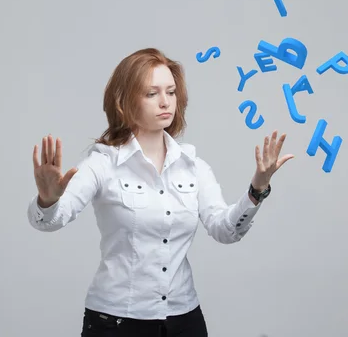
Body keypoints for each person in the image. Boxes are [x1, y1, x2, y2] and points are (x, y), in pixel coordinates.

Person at [27, 48, 294, 336]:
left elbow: (225, 230)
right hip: (116, 322)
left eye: (171, 92)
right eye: (151, 93)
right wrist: (48, 198)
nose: (165, 102)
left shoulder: (194, 166)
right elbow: (51, 220)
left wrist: (257, 189)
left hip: (184, 320)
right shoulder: (103, 163)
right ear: (124, 101)